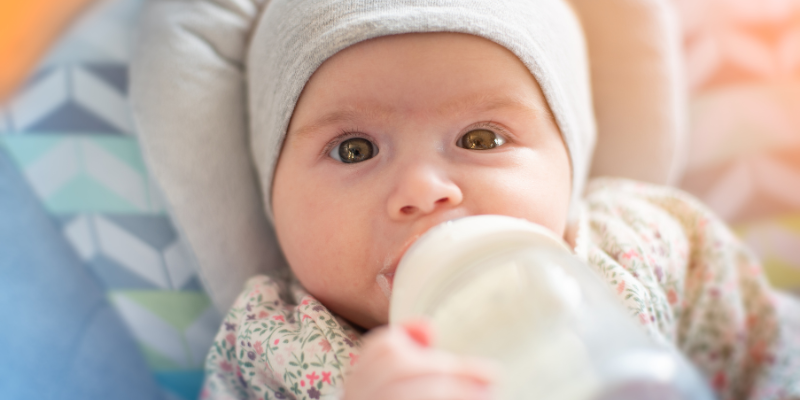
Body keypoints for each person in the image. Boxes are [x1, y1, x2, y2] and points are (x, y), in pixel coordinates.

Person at [199, 1, 800, 399]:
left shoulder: (647, 240)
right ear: (272, 192)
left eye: (481, 139)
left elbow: (774, 353)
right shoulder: (273, 343)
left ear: (572, 162)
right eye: (354, 150)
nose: (423, 189)